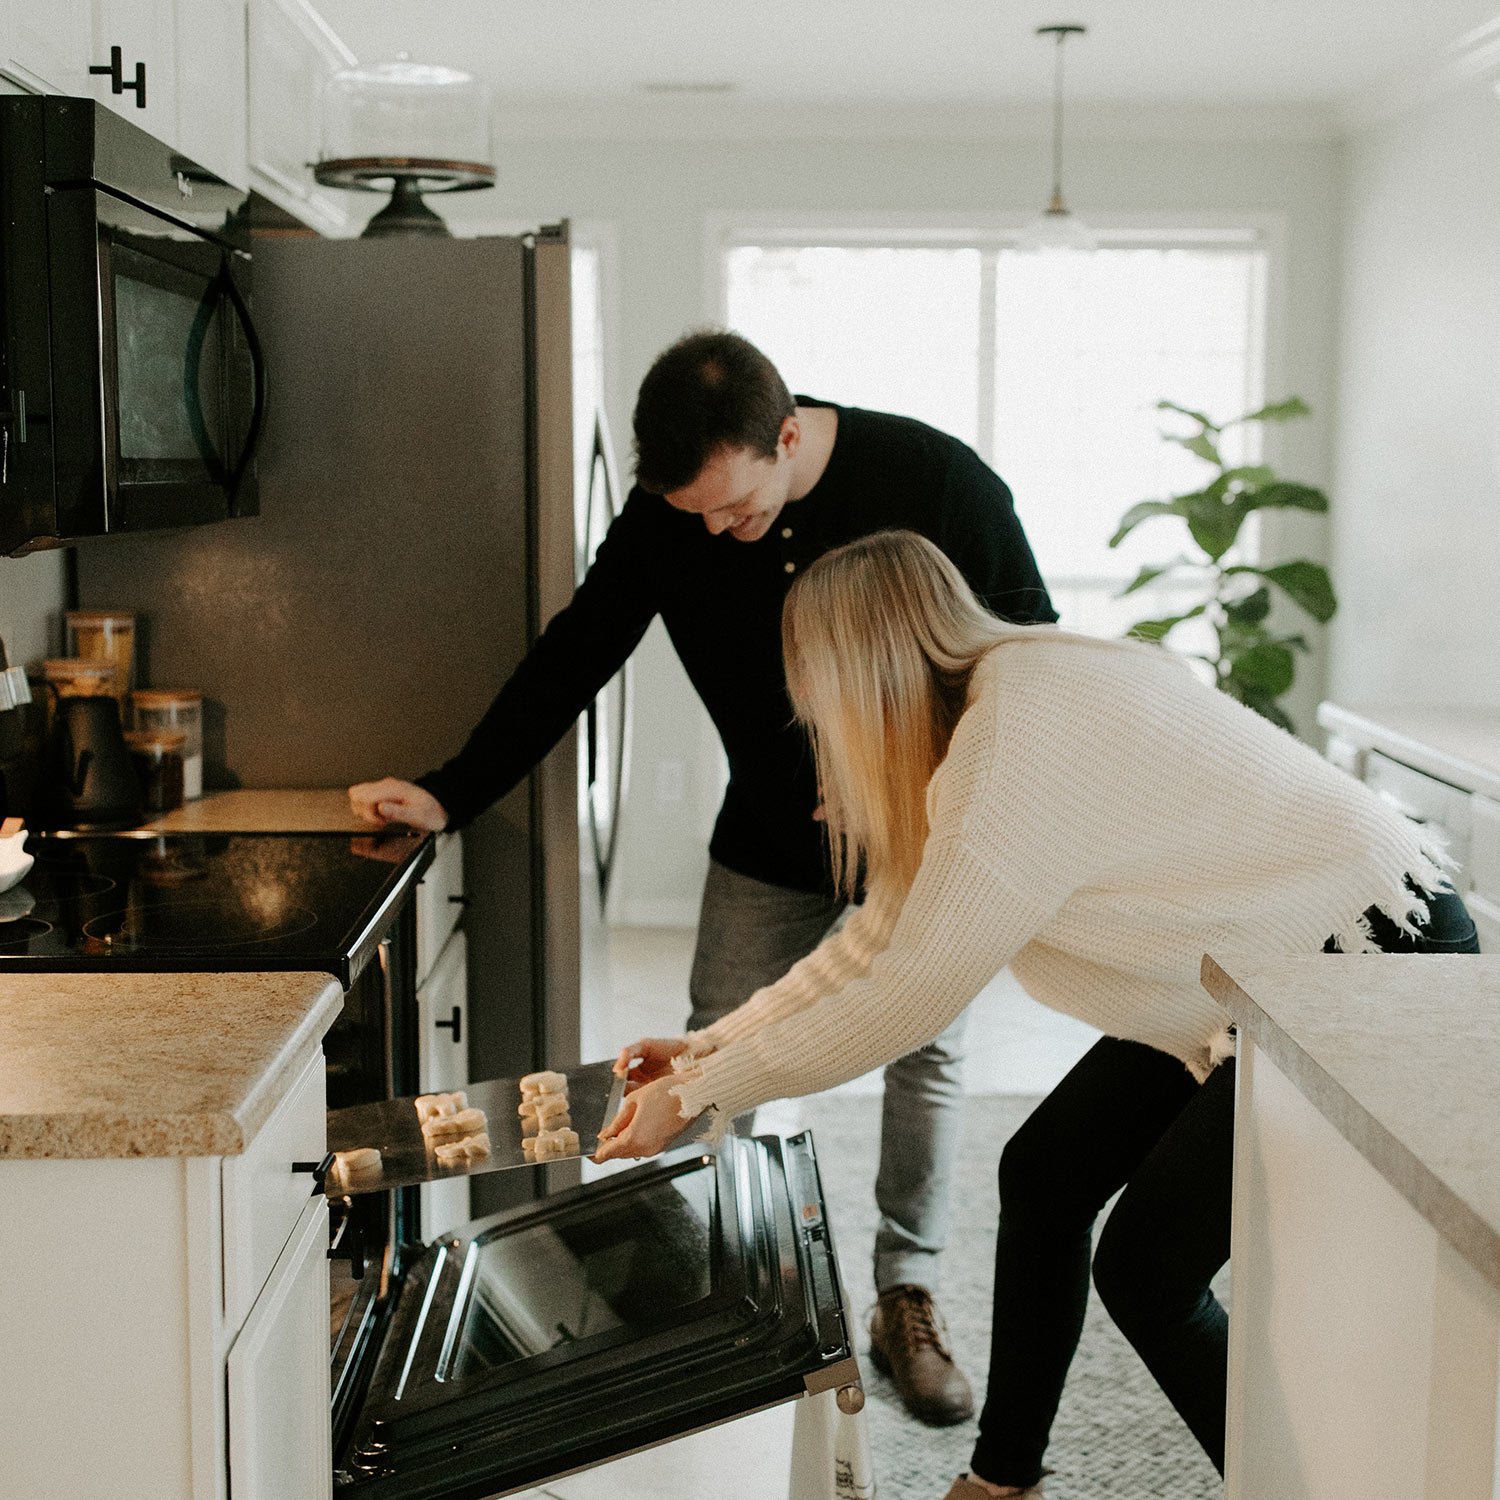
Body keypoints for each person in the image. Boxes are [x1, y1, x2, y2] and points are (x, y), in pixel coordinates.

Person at [595, 530, 1480, 1499]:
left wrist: (707, 1093)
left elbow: (905, 993)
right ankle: (1002, 1478)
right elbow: (875, 944)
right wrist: (709, 1045)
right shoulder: (989, 711)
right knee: (1046, 1172)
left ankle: (1294, 1489)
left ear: (853, 673)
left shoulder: (1014, 741)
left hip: (1362, 951)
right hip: (1256, 969)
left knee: (1146, 1273)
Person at [349, 331, 1058, 1425]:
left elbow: (1030, 656)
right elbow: (575, 654)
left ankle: (902, 1294)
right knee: (717, 1042)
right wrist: (452, 790)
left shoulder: (936, 479)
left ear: (787, 435)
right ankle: (742, 1285)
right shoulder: (675, 514)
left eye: (737, 509)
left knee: (929, 1048)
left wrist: (928, 778)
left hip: (924, 830)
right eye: (699, 519)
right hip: (766, 837)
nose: (721, 534)